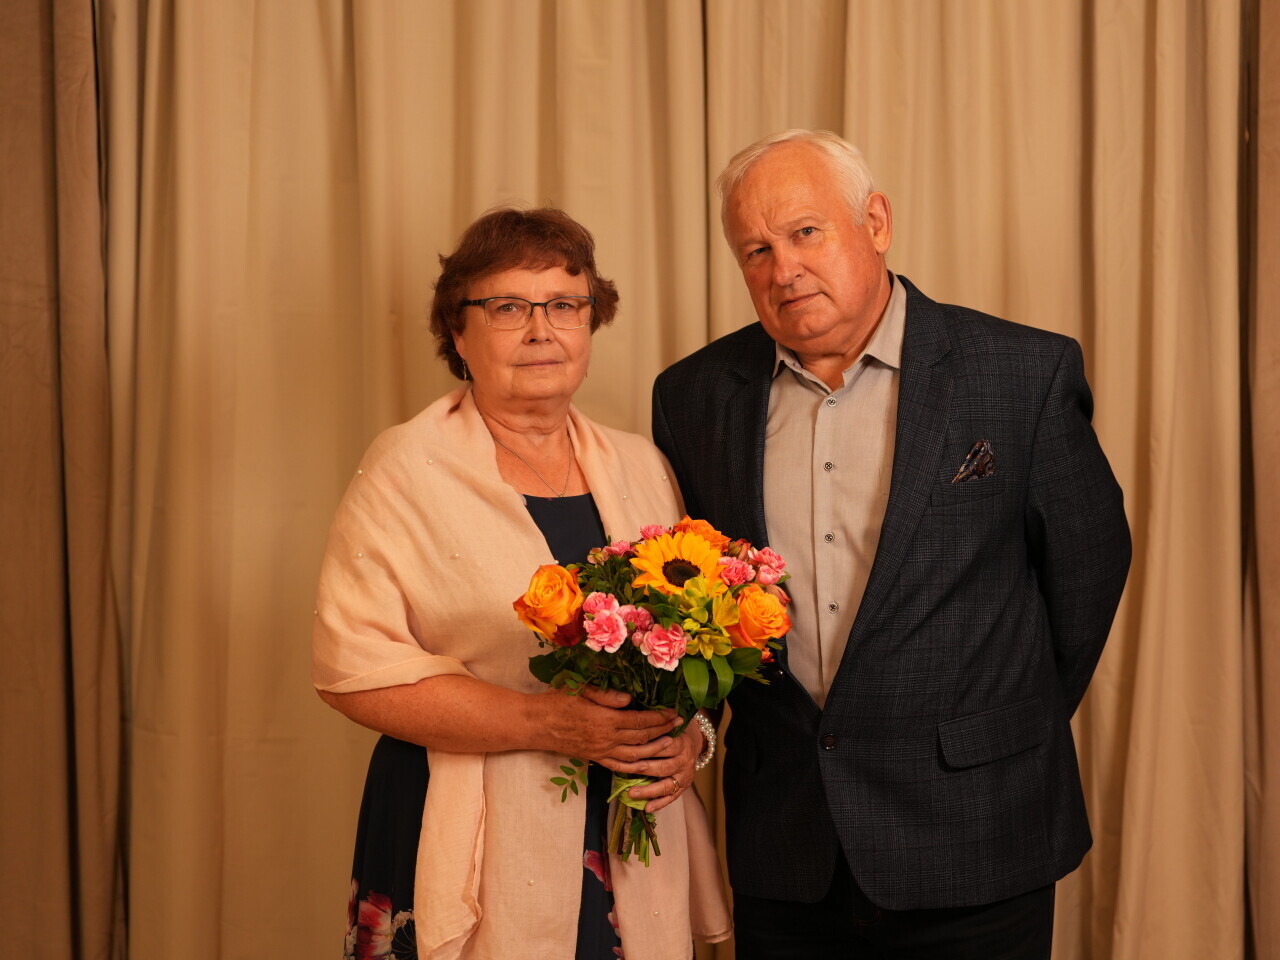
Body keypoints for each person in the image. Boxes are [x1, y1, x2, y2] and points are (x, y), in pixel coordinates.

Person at [652, 130, 1131, 959]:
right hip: (788, 843)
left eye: (806, 232)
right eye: (756, 251)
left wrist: (995, 728)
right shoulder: (694, 395)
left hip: (977, 832)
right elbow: (699, 608)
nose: (783, 269)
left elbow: (1087, 573)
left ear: (875, 222)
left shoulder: (1021, 372)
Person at [313, 207, 730, 960]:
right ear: (458, 332)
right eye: (508, 307)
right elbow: (353, 672)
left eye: (565, 305)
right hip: (454, 829)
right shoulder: (404, 470)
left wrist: (689, 739)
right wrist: (545, 723)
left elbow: (692, 650)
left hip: (622, 825)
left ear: (591, 322)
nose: (542, 331)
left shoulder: (642, 466)